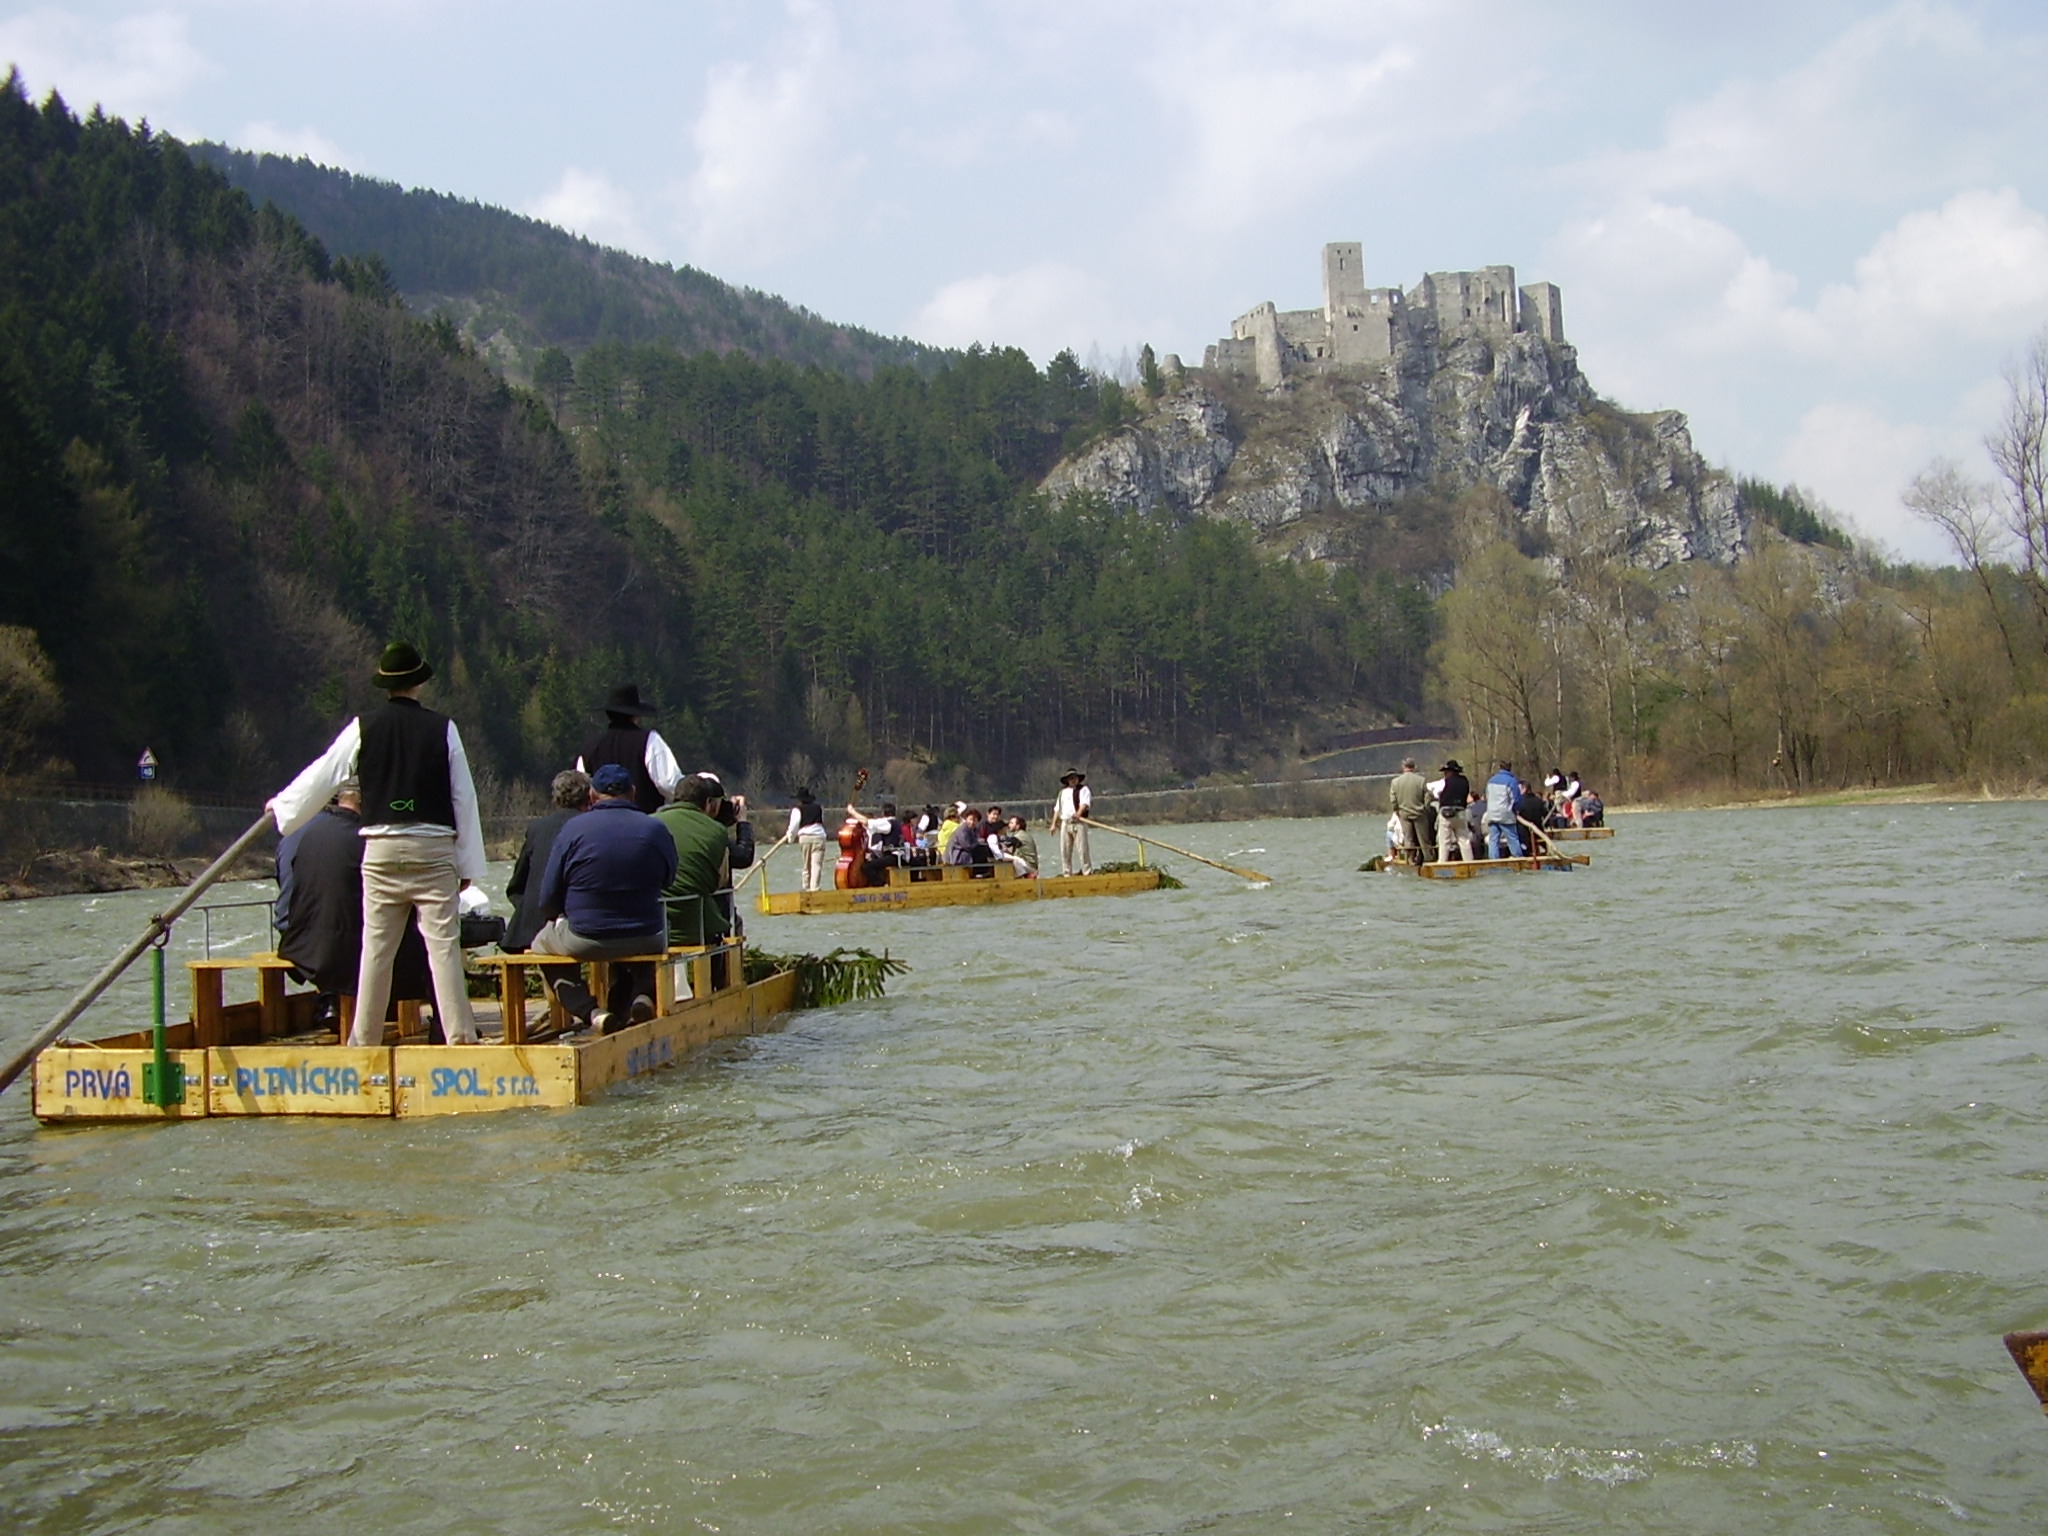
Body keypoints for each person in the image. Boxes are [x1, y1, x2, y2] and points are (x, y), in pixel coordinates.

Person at [268, 641, 484, 1047]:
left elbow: (326, 772)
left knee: (376, 950)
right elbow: (463, 797)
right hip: (432, 848)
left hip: (380, 848)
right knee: (442, 950)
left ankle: (363, 1042)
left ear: (385, 685)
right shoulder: (443, 728)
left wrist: (284, 808)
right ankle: (461, 1038)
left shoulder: (362, 727)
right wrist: (468, 864)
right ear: (419, 683)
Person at [275, 780, 432, 1035]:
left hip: (302, 942)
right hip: (347, 945)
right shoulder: (368, 840)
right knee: (429, 941)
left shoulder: (301, 834)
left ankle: (332, 1004)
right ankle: (440, 1025)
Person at [530, 763, 677, 1032]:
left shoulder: (572, 830)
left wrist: (561, 913)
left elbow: (549, 895)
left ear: (593, 796)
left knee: (540, 946)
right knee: (658, 940)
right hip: (645, 932)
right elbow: (669, 878)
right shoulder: (655, 828)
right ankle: (642, 995)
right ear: (633, 793)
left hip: (587, 936)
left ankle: (592, 1013)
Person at [505, 769, 592, 951]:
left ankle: (560, 980)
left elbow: (517, 885)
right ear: (589, 797)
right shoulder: (592, 826)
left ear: (555, 798)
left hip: (531, 925)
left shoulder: (538, 828)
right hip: (580, 923)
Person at [654, 773, 733, 951]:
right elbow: (718, 883)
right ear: (707, 803)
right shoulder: (716, 830)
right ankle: (718, 978)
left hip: (654, 922)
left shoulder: (649, 822)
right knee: (726, 925)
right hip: (696, 927)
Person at [574, 683, 682, 813]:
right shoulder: (649, 740)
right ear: (636, 715)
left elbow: (582, 790)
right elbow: (669, 783)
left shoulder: (590, 747)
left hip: (600, 824)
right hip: (644, 822)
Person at [786, 786, 830, 891]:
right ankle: (815, 888)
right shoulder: (819, 808)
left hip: (805, 837)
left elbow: (794, 826)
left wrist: (790, 838)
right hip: (819, 836)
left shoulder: (797, 810)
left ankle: (806, 887)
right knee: (816, 864)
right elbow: (821, 821)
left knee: (806, 864)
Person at [1388, 757, 1429, 866]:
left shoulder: (1395, 782)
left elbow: (1393, 799)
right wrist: (1425, 807)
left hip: (1404, 813)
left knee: (1408, 838)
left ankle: (1410, 860)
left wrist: (1396, 810)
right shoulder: (1421, 780)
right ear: (1414, 767)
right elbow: (1428, 796)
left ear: (1403, 767)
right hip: (1419, 812)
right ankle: (1428, 859)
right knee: (1423, 838)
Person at [1052, 770, 1092, 876]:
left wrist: (1078, 813)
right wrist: (1053, 824)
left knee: (1082, 849)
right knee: (1065, 850)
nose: (1073, 780)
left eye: (1074, 778)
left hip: (1079, 823)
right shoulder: (1062, 793)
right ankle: (1067, 873)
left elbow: (1084, 803)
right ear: (1067, 780)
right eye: (1070, 778)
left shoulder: (1083, 789)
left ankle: (1087, 872)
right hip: (1065, 823)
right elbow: (1057, 809)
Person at [1480, 760, 1523, 860]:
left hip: (1491, 813)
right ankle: (1518, 858)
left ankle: (1494, 861)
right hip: (1505, 815)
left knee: (1493, 840)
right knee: (1512, 838)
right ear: (1509, 768)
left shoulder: (1491, 781)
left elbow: (1487, 796)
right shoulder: (1511, 781)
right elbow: (1515, 799)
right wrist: (1516, 811)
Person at [1435, 759, 1472, 863]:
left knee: (1444, 841)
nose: (1444, 773)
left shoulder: (1443, 782)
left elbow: (1434, 792)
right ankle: (1469, 863)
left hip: (1446, 813)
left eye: (1446, 771)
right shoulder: (1464, 781)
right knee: (1464, 840)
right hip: (1460, 812)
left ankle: (1442, 863)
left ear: (1449, 771)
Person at [1513, 779, 1550, 850]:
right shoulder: (1538, 800)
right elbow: (1545, 814)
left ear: (1524, 789)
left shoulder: (1520, 802)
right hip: (1539, 831)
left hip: (1524, 834)